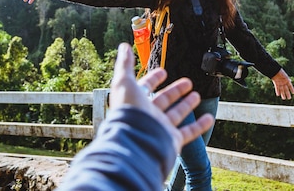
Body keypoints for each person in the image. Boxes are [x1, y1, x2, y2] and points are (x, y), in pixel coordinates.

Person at [18, 0, 294, 191]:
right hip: (169, 89)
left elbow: (242, 36)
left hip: (207, 93)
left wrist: (274, 71)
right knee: (199, 170)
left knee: (182, 171)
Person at [56, 42, 214, 191]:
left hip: (204, 87)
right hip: (169, 81)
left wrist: (123, 148)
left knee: (196, 167)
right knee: (199, 169)